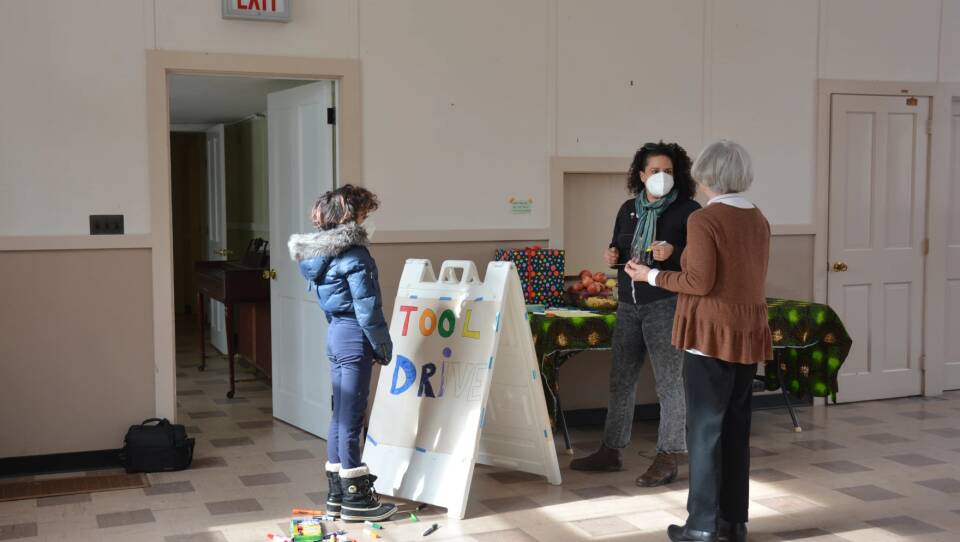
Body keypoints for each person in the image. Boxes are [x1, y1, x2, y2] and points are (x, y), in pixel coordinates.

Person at [625, 140, 772, 542]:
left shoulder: (705, 220)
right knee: (736, 430)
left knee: (705, 433)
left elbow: (698, 283)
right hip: (746, 335)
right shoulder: (757, 218)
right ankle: (733, 522)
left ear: (708, 176)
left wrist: (649, 276)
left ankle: (702, 526)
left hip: (709, 336)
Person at [570, 141, 700, 487]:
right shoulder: (629, 209)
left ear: (679, 175)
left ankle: (669, 455)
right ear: (641, 175)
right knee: (620, 380)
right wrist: (612, 257)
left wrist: (674, 252)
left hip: (666, 304)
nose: (662, 177)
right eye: (655, 171)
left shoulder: (689, 211)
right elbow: (619, 247)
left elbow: (699, 262)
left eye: (668, 171)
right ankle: (611, 450)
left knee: (669, 382)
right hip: (627, 304)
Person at [288, 184, 398, 522]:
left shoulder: (319, 256)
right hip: (355, 336)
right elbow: (367, 308)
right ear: (351, 216)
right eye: (365, 213)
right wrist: (382, 345)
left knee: (339, 416)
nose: (368, 220)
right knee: (352, 418)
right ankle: (356, 500)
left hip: (336, 334)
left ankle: (337, 495)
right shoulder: (355, 254)